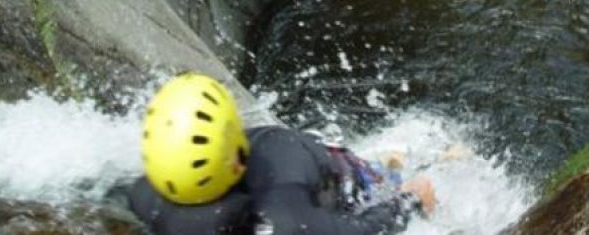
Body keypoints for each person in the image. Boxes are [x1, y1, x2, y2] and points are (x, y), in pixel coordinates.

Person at [128, 73, 435, 235]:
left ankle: (418, 163)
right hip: (301, 172)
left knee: (408, 184)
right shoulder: (145, 198)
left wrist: (408, 201)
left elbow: (361, 230)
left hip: (341, 179)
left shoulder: (284, 201)